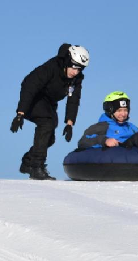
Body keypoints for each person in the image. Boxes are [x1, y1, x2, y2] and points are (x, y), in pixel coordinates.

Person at [11, 43, 90, 180]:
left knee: (49, 138)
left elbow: (73, 99)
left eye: (80, 69)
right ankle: (37, 168)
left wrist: (70, 123)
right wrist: (20, 113)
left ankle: (27, 162)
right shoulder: (51, 67)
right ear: (67, 61)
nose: (75, 72)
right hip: (34, 98)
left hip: (49, 103)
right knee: (47, 124)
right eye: (74, 67)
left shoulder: (76, 79)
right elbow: (29, 85)